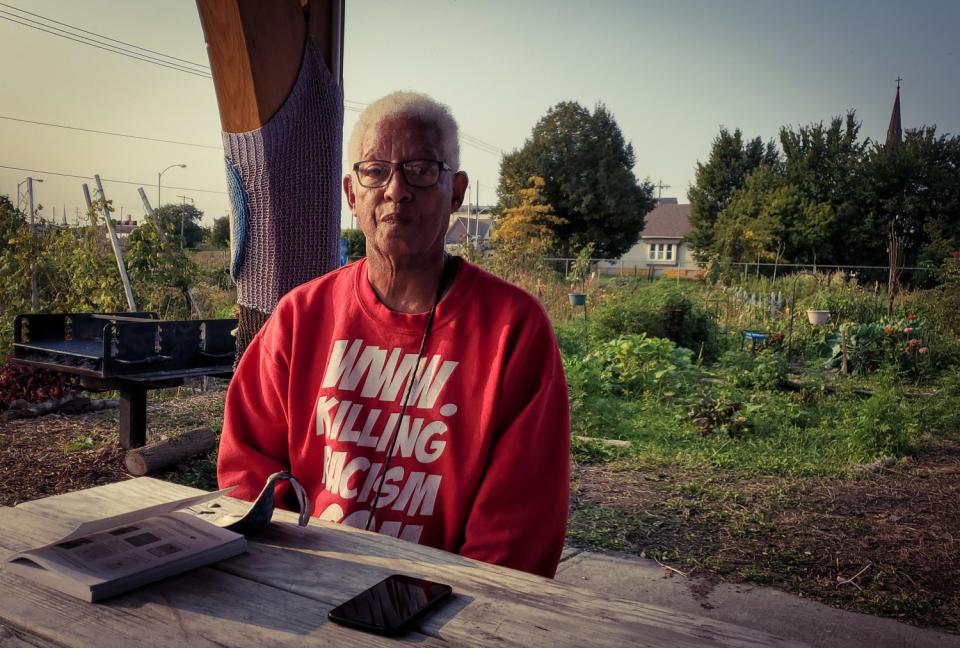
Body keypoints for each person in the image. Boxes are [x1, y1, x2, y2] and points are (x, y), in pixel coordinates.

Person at [218, 91, 570, 578]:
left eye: (422, 169)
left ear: (457, 190)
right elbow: (247, 472)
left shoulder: (514, 329)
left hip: (446, 603)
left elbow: (517, 530)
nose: (396, 190)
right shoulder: (301, 316)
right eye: (376, 171)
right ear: (350, 194)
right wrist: (286, 577)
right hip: (301, 580)